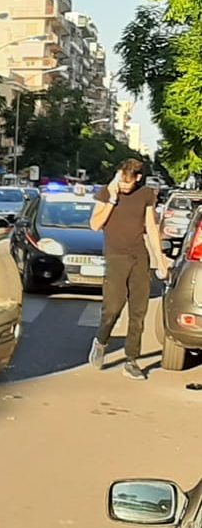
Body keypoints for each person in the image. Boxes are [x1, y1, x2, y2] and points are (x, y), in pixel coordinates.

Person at [88, 158, 170, 380]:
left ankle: (131, 360)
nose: (124, 186)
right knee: (113, 307)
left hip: (139, 257)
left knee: (138, 311)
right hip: (116, 257)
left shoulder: (145, 195)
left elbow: (151, 229)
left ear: (138, 178)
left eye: (127, 182)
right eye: (121, 180)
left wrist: (160, 260)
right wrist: (112, 199)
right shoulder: (107, 192)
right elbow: (95, 224)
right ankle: (101, 340)